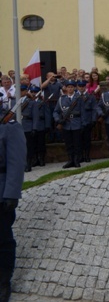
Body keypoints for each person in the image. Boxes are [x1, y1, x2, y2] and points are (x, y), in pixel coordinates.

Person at [0, 115, 26, 302]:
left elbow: (16, 162)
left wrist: (11, 194)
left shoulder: (9, 126)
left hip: (1, 194)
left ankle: (3, 282)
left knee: (2, 239)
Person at [53, 80, 85, 168]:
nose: (70, 89)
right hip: (66, 124)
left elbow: (83, 112)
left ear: (74, 88)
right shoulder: (61, 99)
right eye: (68, 87)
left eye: (72, 87)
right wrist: (58, 120)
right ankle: (70, 160)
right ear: (66, 88)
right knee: (68, 143)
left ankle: (76, 160)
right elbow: (56, 111)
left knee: (77, 143)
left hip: (76, 122)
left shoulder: (78, 98)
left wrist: (83, 123)